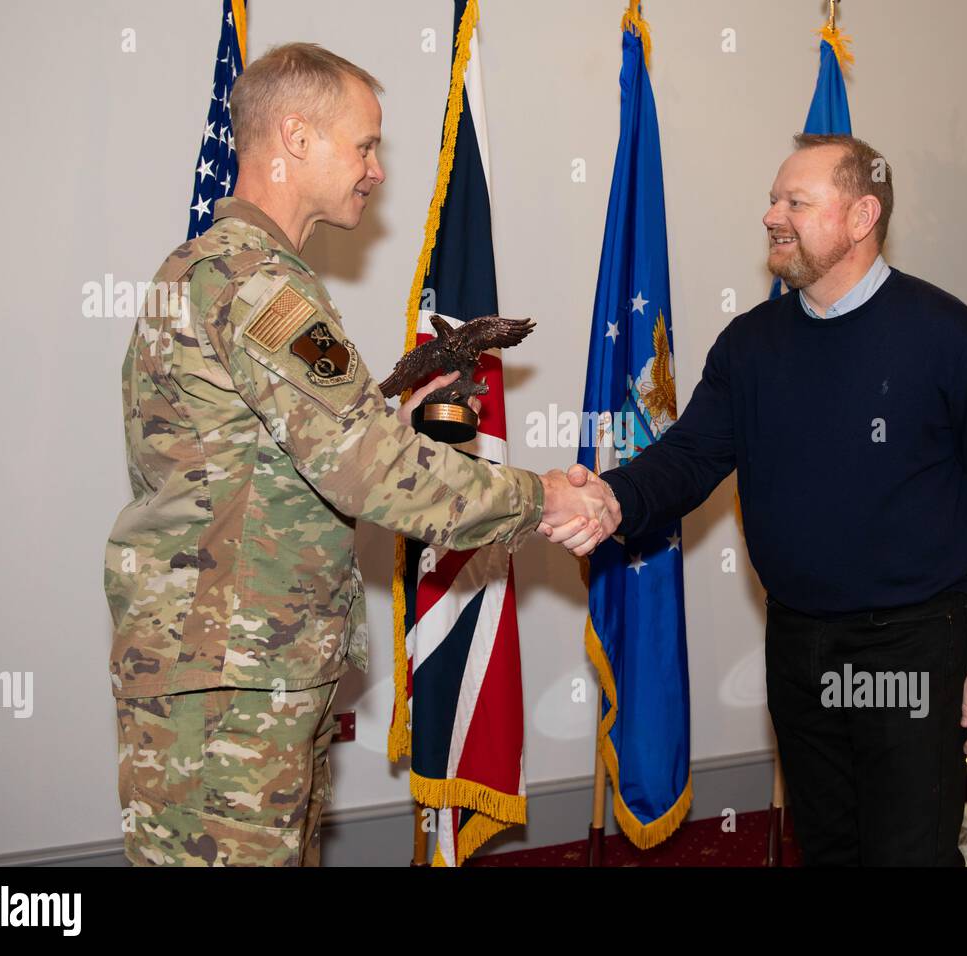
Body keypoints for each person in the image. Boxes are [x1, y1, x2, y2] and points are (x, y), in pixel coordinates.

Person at [105, 42, 617, 866]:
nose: (376, 170)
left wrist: (388, 419)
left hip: (236, 668)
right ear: (297, 138)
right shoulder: (259, 284)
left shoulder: (211, 270)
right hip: (233, 681)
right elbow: (370, 470)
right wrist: (544, 498)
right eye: (366, 145)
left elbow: (258, 457)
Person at [546, 133, 967, 866]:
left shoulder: (948, 337)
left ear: (860, 215)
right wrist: (614, 500)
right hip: (798, 643)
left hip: (909, 644)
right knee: (829, 846)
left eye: (795, 201)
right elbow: (689, 457)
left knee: (908, 853)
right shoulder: (751, 344)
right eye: (773, 198)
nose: (771, 215)